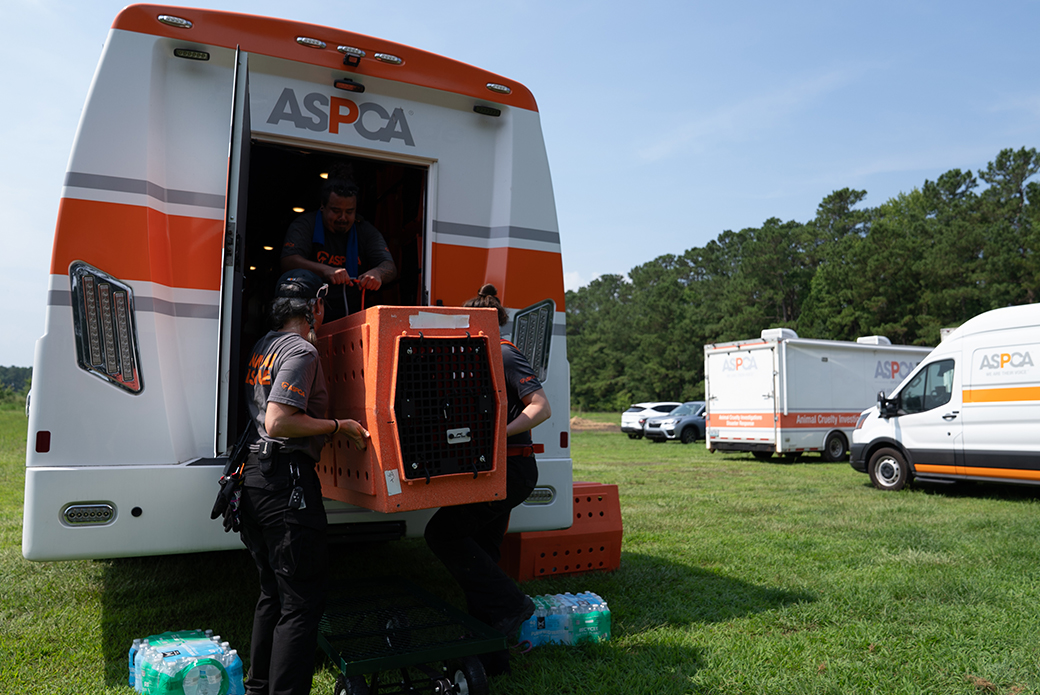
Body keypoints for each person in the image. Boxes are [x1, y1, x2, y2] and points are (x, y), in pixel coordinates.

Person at [238, 269, 370, 695]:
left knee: (272, 594)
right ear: (314, 308)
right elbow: (278, 422)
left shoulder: (264, 345)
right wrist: (338, 425)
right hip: (286, 483)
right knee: (302, 603)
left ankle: (258, 688)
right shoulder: (301, 352)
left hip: (255, 480)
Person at [423, 283, 552, 676]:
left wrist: (497, 434)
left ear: (481, 322)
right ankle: (492, 656)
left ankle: (513, 605)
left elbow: (541, 407)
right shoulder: (474, 354)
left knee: (442, 534)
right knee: (482, 554)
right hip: (497, 469)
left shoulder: (503, 352)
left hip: (511, 469)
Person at [280, 172, 397, 321]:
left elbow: (389, 266)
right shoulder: (304, 225)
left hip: (353, 314)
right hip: (309, 313)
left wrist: (377, 273)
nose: (343, 217)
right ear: (322, 205)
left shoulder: (365, 230)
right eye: (336, 211)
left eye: (349, 212)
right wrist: (326, 270)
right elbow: (288, 261)